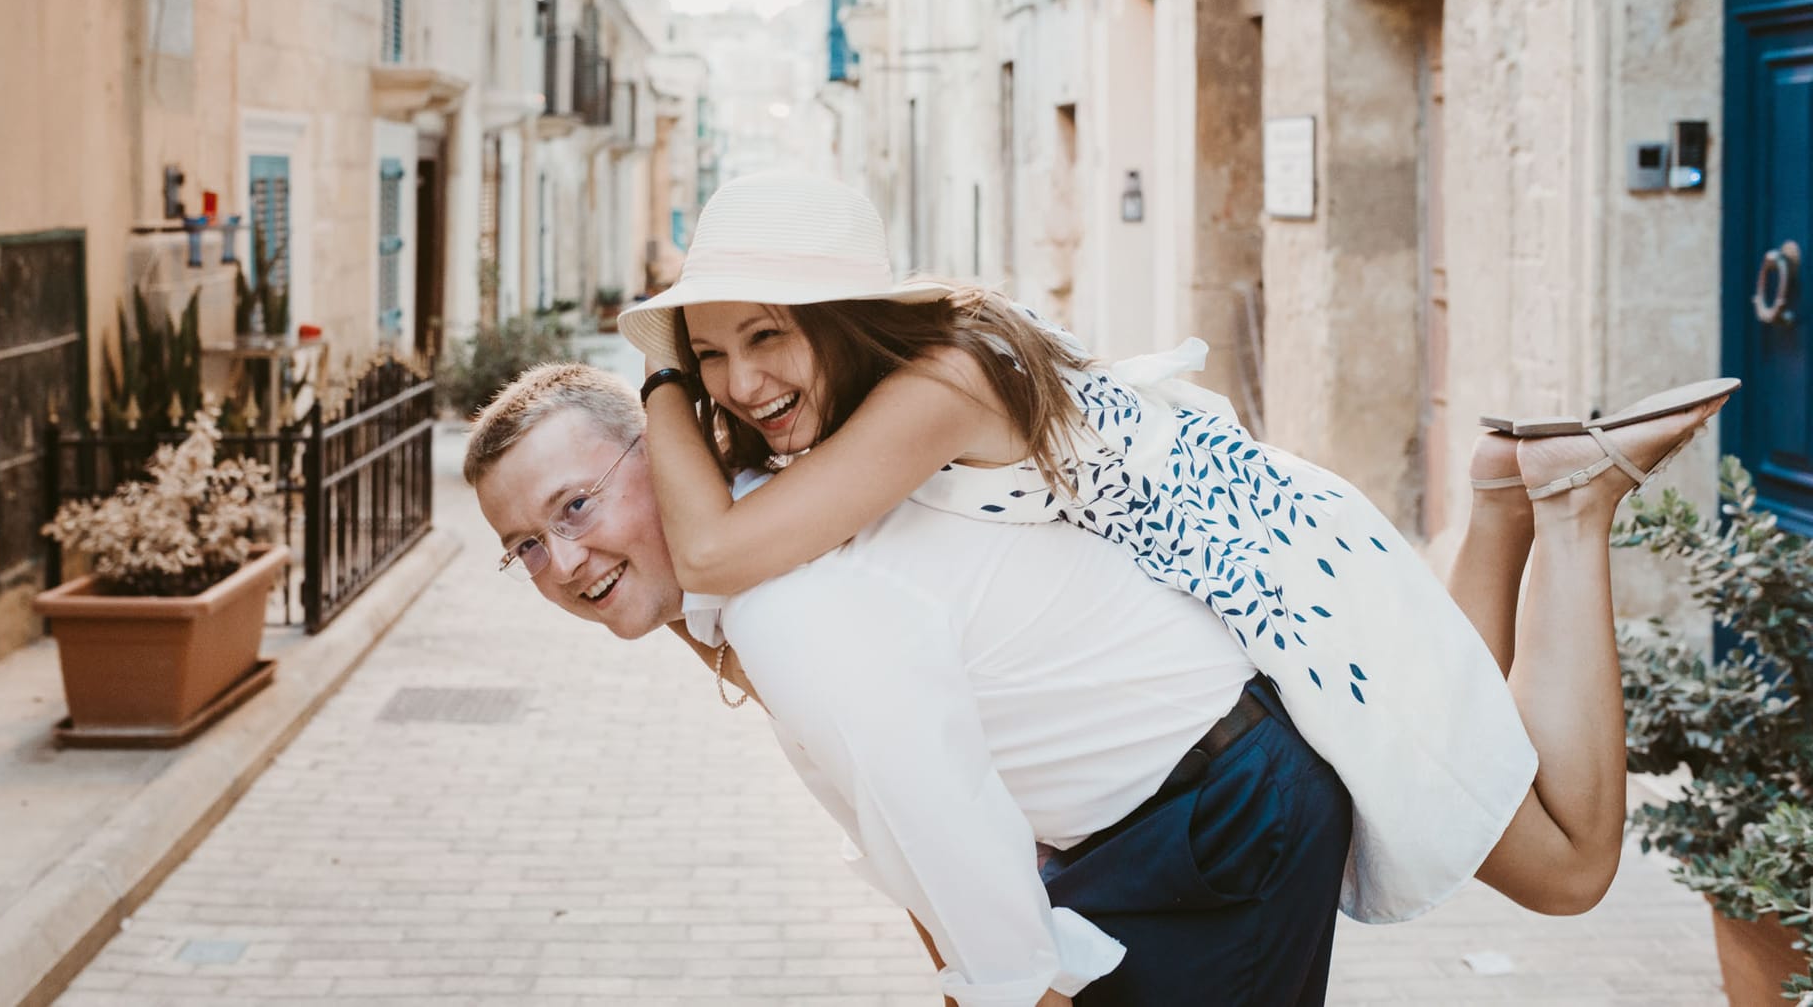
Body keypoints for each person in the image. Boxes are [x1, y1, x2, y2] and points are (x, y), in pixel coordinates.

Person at [615, 171, 1737, 925]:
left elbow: (713, 555)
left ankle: (1571, 504)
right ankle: (1499, 494)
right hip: (1287, 567)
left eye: (765, 334)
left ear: (848, 314)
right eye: (712, 350)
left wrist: (658, 367)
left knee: (1572, 869)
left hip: (1293, 588)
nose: (738, 383)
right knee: (1463, 738)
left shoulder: (933, 386)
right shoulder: (907, 385)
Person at [466, 363, 1356, 1006]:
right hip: (1140, 827)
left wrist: (1008, 986)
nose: (565, 561)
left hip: (1222, 814)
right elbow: (905, 839)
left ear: (660, 453)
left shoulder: (784, 602)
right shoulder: (741, 581)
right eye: (527, 546)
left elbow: (949, 831)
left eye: (575, 505)